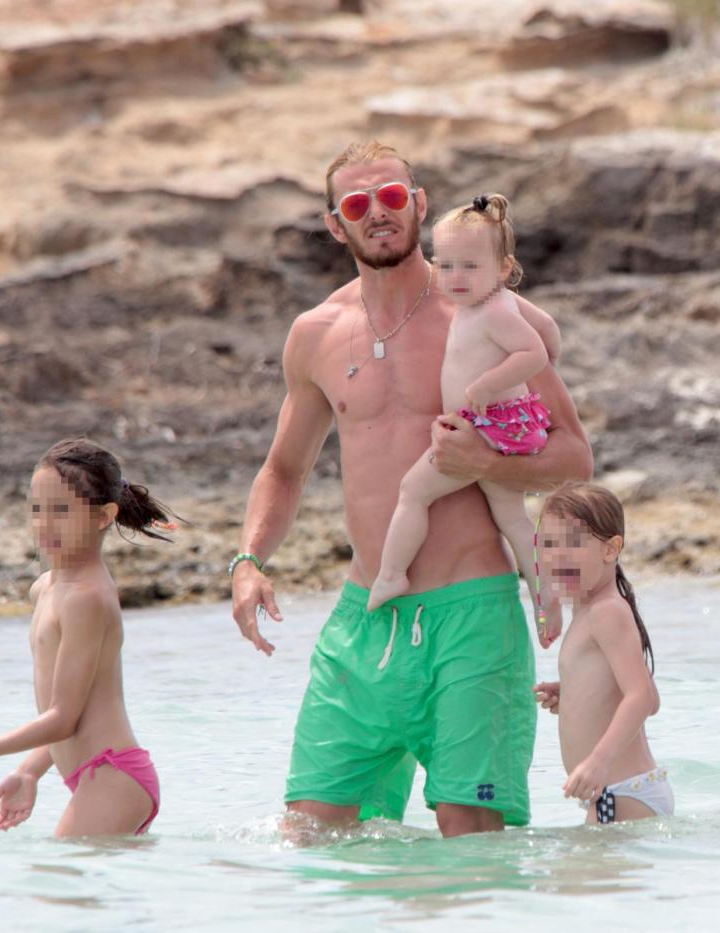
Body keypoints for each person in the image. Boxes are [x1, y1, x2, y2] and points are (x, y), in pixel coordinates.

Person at [229, 140, 592, 839]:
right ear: (336, 224)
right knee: (312, 841)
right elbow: (283, 470)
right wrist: (248, 561)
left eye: (393, 196)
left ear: (420, 205)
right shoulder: (315, 334)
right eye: (357, 203)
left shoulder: (484, 312)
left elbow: (575, 455)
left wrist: (485, 459)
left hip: (472, 620)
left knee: (472, 849)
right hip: (364, 622)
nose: (379, 213)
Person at [0, 438, 175, 837]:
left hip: (113, 775)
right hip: (98, 777)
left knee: (57, 873)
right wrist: (28, 772)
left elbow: (63, 718)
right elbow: (74, 713)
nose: (44, 524)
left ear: (103, 516)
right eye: (37, 509)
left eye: (61, 511)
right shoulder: (46, 588)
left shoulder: (87, 598)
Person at [367, 193, 562, 648]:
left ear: (503, 268)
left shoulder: (493, 311)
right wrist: (550, 355)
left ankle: (392, 574)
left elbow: (533, 352)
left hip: (485, 429)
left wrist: (490, 384)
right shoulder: (496, 303)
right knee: (512, 518)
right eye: (446, 265)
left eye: (470, 267)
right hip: (501, 428)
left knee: (413, 491)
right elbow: (549, 332)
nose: (455, 278)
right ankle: (546, 596)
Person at [532, 483, 671, 824]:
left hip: (619, 792)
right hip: (621, 792)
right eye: (548, 544)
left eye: (572, 543)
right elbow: (651, 698)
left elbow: (640, 698)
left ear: (611, 549)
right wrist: (578, 694)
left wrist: (598, 761)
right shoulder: (590, 611)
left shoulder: (606, 611)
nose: (557, 556)